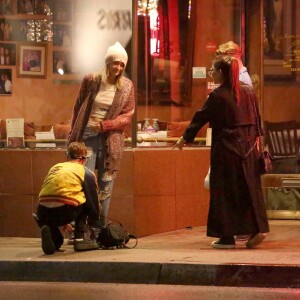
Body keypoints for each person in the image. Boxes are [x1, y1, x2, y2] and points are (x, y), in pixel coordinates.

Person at [173, 56, 269, 249]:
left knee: (224, 193)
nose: (211, 73)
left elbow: (200, 118)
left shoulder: (217, 95)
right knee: (249, 190)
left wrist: (184, 138)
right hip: (248, 150)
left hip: (226, 150)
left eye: (213, 70)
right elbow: (257, 119)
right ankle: (255, 229)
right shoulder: (248, 91)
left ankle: (226, 237)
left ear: (221, 72)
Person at [67, 41, 135, 229]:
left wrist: (106, 125)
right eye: (115, 63)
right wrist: (72, 135)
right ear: (107, 62)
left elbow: (128, 115)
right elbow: (78, 106)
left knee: (106, 185)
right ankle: (79, 228)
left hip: (110, 141)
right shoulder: (91, 80)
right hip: (86, 137)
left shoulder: (127, 87)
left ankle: (99, 229)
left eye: (122, 64)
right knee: (82, 181)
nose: (118, 67)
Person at [34, 142, 102, 255]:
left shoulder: (55, 167)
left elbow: (55, 193)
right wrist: (93, 222)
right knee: (85, 199)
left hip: (42, 211)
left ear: (67, 156)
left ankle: (53, 240)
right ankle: (80, 239)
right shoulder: (86, 172)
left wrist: (63, 220)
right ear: (84, 158)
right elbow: (93, 202)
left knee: (52, 225)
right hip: (66, 210)